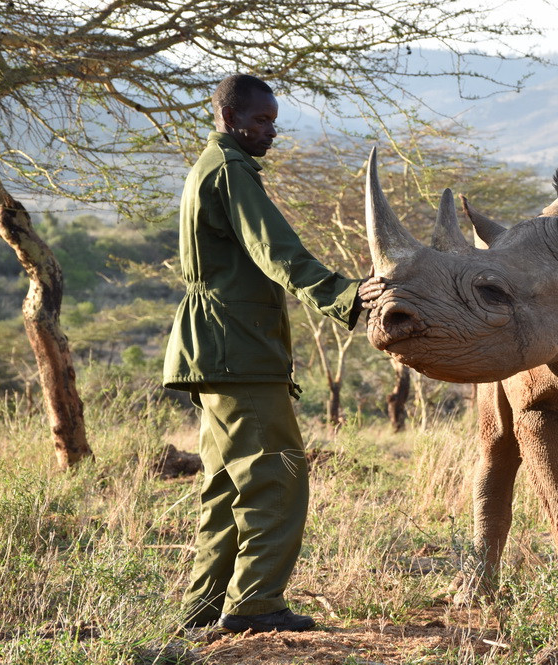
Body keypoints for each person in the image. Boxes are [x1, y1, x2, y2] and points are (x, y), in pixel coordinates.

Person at [162, 74, 384, 634]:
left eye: (273, 121)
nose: (271, 131)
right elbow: (275, 251)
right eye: (260, 121)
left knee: (225, 484)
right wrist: (347, 294)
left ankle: (204, 608)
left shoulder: (208, 167)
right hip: (239, 348)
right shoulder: (232, 171)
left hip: (213, 348)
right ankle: (256, 606)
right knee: (276, 476)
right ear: (229, 116)